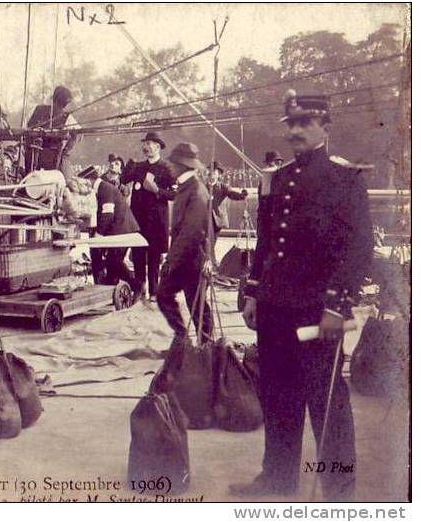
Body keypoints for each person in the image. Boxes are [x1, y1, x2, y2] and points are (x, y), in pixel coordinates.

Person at [231, 91, 373, 501]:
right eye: (290, 124)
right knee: (277, 395)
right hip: (275, 307)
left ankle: (339, 490)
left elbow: (357, 248)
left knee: (327, 404)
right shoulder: (276, 179)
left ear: (325, 128)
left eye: (304, 123)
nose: (294, 131)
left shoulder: (345, 180)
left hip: (316, 311)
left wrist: (336, 305)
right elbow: (265, 245)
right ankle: (277, 478)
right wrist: (254, 294)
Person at [157, 142, 213, 345]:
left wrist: (171, 261)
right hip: (184, 256)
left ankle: (206, 345)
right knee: (164, 293)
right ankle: (183, 338)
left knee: (196, 305)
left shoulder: (196, 190)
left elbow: (192, 232)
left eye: (173, 163)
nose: (170, 166)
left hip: (192, 257)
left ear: (183, 165)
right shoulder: (185, 187)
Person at [120, 132, 176, 303]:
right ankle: (139, 288)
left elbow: (176, 194)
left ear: (158, 147)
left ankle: (154, 291)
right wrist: (131, 161)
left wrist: (157, 191)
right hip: (138, 218)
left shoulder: (167, 168)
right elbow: (123, 179)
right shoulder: (137, 166)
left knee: (153, 256)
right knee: (137, 254)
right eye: (144, 144)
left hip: (157, 220)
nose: (146, 147)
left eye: (149, 144)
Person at [78, 165, 139, 286]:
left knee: (113, 262)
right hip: (116, 230)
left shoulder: (105, 189)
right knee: (111, 266)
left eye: (82, 183)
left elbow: (108, 215)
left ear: (89, 181)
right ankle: (109, 289)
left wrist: (98, 234)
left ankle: (136, 284)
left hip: (122, 230)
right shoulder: (100, 189)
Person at [26, 85, 80, 176]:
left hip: (32, 155)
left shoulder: (36, 109)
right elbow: (78, 133)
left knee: (31, 179)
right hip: (50, 158)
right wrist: (66, 151)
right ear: (65, 103)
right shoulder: (66, 116)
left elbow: (25, 128)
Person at [208, 161, 249, 264]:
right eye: (210, 171)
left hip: (217, 220)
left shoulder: (223, 187)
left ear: (219, 174)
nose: (211, 173)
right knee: (207, 242)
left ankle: (211, 262)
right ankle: (210, 261)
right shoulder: (203, 186)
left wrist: (242, 195)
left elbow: (232, 194)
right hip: (205, 220)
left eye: (214, 172)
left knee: (212, 243)